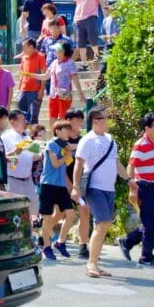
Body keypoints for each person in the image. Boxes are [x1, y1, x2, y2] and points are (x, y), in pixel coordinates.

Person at [71, 107, 131, 278]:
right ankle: (91, 263)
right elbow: (78, 165)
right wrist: (75, 187)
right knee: (103, 223)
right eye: (106, 117)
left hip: (109, 188)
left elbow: (116, 163)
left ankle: (95, 263)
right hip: (94, 188)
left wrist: (129, 180)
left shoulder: (111, 140)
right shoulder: (87, 140)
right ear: (96, 121)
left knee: (103, 226)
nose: (109, 120)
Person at [118, 112, 154, 269]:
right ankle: (146, 257)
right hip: (144, 187)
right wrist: (132, 189)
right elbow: (131, 166)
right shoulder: (141, 144)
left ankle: (127, 241)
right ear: (147, 128)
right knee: (149, 224)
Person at [39, 120, 76, 260]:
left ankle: (60, 242)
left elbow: (77, 148)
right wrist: (67, 154)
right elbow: (55, 164)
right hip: (48, 184)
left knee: (70, 214)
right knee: (47, 217)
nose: (68, 132)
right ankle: (46, 246)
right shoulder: (51, 144)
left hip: (61, 185)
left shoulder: (66, 146)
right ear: (58, 131)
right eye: (66, 129)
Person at [23, 42, 84, 126]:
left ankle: (63, 133)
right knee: (52, 118)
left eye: (57, 50)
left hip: (64, 94)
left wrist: (80, 94)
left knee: (63, 118)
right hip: (53, 95)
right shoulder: (54, 62)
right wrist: (30, 75)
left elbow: (75, 79)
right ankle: (54, 133)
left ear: (63, 51)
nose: (55, 52)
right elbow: (45, 76)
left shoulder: (70, 63)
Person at [2, 111, 41, 217]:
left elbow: (31, 157)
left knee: (33, 212)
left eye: (25, 120)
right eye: (22, 120)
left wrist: (43, 153)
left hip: (28, 181)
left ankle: (32, 228)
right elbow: (2, 157)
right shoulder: (5, 137)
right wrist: (15, 152)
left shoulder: (26, 137)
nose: (25, 122)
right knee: (15, 213)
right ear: (12, 121)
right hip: (13, 181)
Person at [64, 109, 91, 259]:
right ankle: (45, 236)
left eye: (81, 120)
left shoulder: (83, 140)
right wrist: (69, 185)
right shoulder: (61, 140)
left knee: (84, 211)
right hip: (63, 182)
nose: (79, 123)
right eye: (76, 120)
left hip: (80, 183)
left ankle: (83, 246)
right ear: (68, 120)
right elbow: (59, 166)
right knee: (58, 214)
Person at [73, 0, 107, 66]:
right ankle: (84, 63)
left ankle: (96, 55)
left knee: (92, 37)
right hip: (79, 18)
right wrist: (75, 17)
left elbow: (101, 1)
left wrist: (105, 16)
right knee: (81, 42)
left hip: (91, 16)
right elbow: (77, 4)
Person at [15, 39, 46, 124]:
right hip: (23, 90)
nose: (23, 49)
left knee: (33, 116)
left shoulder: (40, 57)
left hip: (35, 91)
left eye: (24, 47)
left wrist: (41, 90)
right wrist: (19, 88)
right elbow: (22, 74)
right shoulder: (24, 58)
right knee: (22, 115)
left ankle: (34, 131)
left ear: (31, 47)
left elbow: (44, 74)